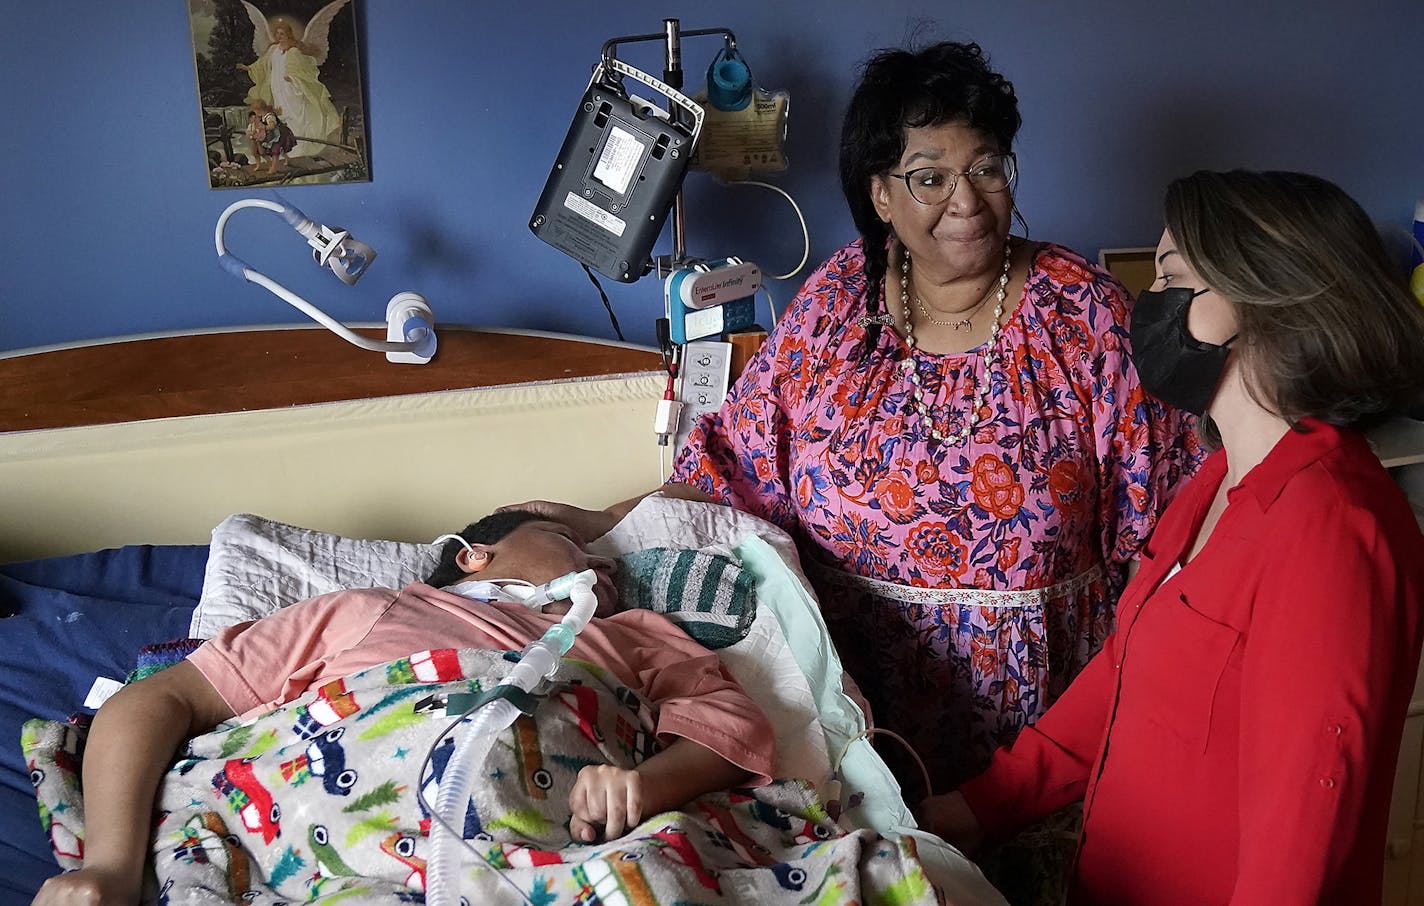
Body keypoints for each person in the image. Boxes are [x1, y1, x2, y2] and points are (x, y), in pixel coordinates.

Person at [515, 41, 1199, 797]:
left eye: (987, 168)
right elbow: (729, 470)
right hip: (845, 728)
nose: (966, 200)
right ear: (881, 196)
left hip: (1037, 750)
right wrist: (599, 522)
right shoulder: (839, 300)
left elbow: (1167, 541)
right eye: (930, 177)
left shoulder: (1084, 314)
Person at [920, 169, 1424, 905]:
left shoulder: (1332, 531)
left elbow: (1299, 843)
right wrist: (979, 806)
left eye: (1173, 278)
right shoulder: (1214, 481)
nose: (1150, 306)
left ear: (1263, 300)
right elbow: (1128, 675)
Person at [32, 510, 775, 906]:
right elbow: (158, 700)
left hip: (547, 851)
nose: (602, 566)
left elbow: (725, 733)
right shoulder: (368, 611)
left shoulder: (636, 639)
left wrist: (648, 786)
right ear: (474, 556)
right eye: (568, 542)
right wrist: (112, 866)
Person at [238, 14, 344, 158]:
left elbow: (306, 68)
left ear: (288, 34)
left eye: (282, 33)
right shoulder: (273, 49)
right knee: (282, 116)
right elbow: (262, 64)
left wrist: (293, 78)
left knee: (296, 115)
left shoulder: (294, 50)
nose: (279, 36)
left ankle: (299, 146)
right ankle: (285, 146)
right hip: (277, 87)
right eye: (277, 33)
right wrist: (248, 68)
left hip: (291, 88)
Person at [243, 97, 296, 174]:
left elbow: (272, 126)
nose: (255, 114)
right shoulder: (263, 116)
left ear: (259, 110)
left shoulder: (269, 116)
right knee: (279, 149)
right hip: (272, 135)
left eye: (255, 112)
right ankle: (287, 158)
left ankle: (274, 168)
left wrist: (264, 127)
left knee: (275, 151)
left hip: (279, 135)